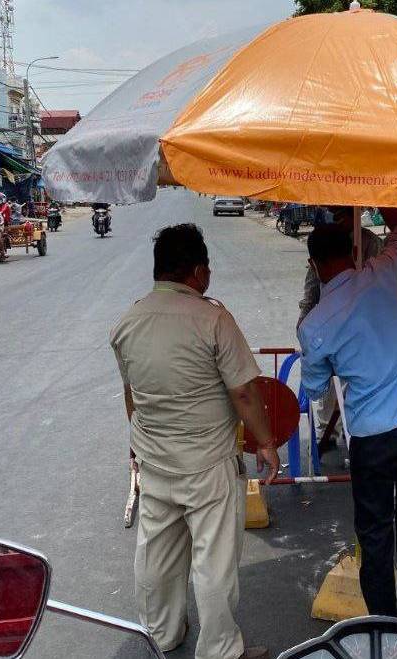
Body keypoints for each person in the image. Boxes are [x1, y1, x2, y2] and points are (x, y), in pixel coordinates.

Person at [110, 223, 279, 659]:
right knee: (215, 561)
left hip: (155, 460)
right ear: (199, 271)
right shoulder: (213, 319)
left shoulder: (128, 321)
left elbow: (132, 396)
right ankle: (220, 649)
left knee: (157, 556)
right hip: (209, 463)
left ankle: (161, 634)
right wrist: (265, 442)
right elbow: (243, 391)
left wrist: (140, 446)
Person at [298, 208, 397, 622]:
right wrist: (389, 197)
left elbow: (315, 389)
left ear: (314, 264)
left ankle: (384, 628)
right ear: (352, 252)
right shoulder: (384, 270)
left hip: (373, 438)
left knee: (376, 536)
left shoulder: (316, 325)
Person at [297, 206, 383, 454]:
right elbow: (312, 285)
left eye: (343, 214)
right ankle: (329, 430)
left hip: (364, 327)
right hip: (332, 325)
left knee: (357, 383)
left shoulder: (368, 242)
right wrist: (305, 320)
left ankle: (353, 432)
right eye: (335, 215)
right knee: (328, 388)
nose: (338, 219)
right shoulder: (323, 241)